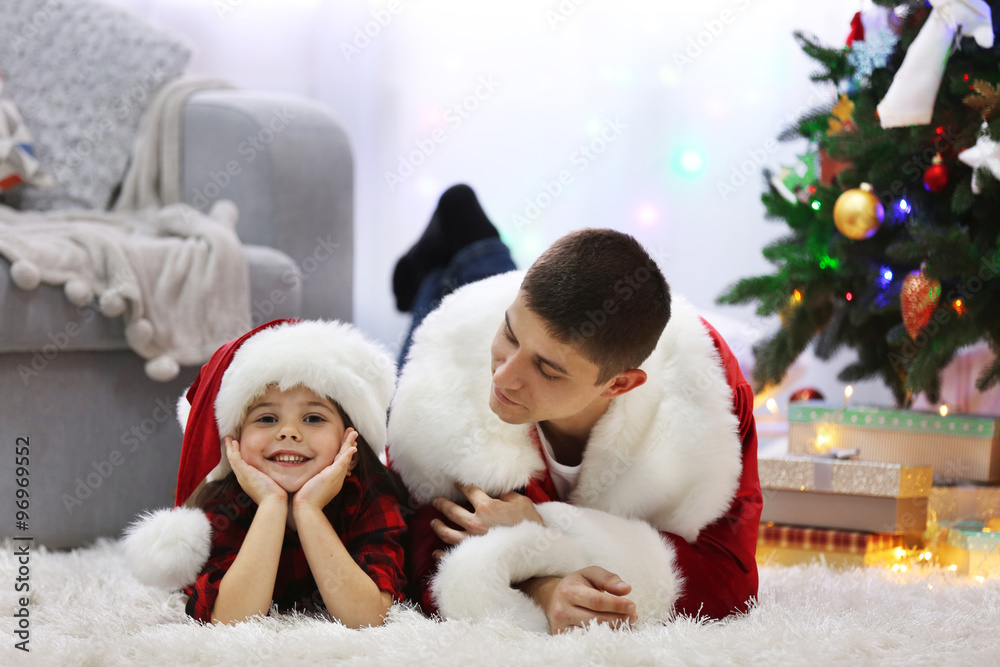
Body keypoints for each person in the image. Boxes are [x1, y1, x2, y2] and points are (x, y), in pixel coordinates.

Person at [386, 185, 761, 634]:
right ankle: (465, 235)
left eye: (546, 369)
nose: (503, 377)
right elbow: (414, 546)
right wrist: (543, 583)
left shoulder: (709, 392)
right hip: (472, 312)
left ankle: (459, 246)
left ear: (620, 384)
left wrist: (543, 525)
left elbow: (729, 585)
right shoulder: (452, 353)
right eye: (508, 333)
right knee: (433, 312)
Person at [123, 319, 408, 627]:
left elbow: (366, 617)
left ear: (350, 447)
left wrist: (308, 510)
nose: (288, 432)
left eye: (313, 418)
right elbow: (230, 620)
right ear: (234, 443)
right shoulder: (225, 505)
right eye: (267, 418)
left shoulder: (369, 497)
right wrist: (272, 504)